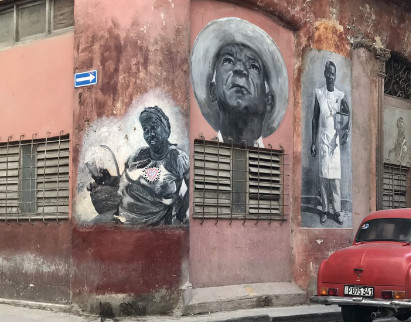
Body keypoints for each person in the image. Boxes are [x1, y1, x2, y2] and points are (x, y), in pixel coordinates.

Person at [190, 17, 288, 147]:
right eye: (228, 61)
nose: (240, 69)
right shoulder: (202, 163)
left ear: (268, 101)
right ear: (213, 91)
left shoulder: (271, 166)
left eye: (253, 66)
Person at [87, 106, 190, 225]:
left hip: (151, 225)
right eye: (145, 129)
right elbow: (124, 182)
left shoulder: (177, 158)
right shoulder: (138, 155)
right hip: (121, 216)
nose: (150, 133)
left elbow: (192, 187)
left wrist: (180, 215)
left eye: (154, 127)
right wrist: (107, 181)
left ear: (165, 128)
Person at [311, 61, 350, 225]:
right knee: (323, 178)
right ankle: (325, 210)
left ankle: (337, 211)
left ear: (335, 75)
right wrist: (313, 142)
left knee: (335, 179)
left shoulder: (340, 95)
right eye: (328, 73)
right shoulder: (319, 94)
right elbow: (314, 118)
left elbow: (348, 115)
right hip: (323, 140)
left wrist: (345, 131)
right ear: (325, 74)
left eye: (333, 74)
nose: (331, 76)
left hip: (334, 142)